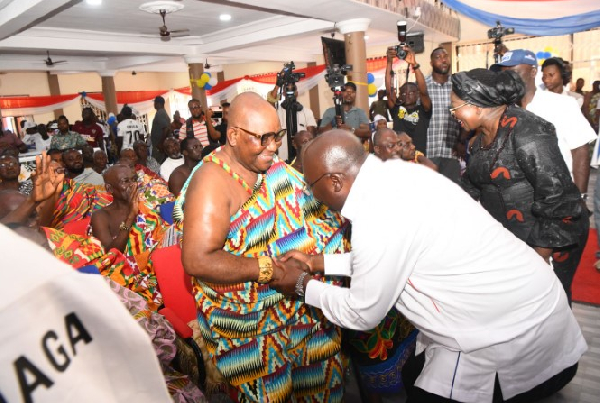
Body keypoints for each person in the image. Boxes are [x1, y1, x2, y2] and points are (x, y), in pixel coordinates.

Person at [270, 129, 586, 403]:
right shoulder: (401, 174)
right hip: (534, 307)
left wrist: (301, 285)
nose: (313, 196)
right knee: (413, 374)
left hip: (513, 333)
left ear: (335, 181)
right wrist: (318, 262)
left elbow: (361, 312)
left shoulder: (376, 214)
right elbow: (387, 258)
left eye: (312, 186)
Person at [174, 91, 348, 402]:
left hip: (305, 314)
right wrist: (272, 271)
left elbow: (315, 214)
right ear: (233, 135)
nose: (274, 146)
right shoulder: (212, 180)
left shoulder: (272, 168)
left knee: (322, 392)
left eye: (277, 135)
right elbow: (198, 259)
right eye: (263, 138)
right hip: (252, 332)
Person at [454, 68, 585, 305]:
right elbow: (473, 184)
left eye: (455, 107)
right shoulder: (478, 139)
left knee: (546, 304)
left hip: (548, 236)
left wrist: (540, 255)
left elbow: (557, 194)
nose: (453, 114)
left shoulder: (528, 131)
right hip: (513, 236)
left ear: (477, 106)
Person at [0, 225, 173, 403]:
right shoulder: (16, 333)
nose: (48, 261)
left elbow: (152, 335)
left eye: (47, 249)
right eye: (37, 257)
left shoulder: (89, 289)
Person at [492, 50, 596, 291]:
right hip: (519, 211)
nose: (509, 79)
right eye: (504, 74)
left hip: (557, 208)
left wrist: (579, 199)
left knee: (557, 285)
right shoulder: (501, 111)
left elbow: (580, 151)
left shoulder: (561, 104)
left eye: (514, 72)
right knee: (525, 284)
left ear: (532, 71)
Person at [386, 45, 432, 155]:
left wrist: (414, 64)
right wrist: (389, 63)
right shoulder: (396, 109)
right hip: (399, 156)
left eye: (411, 93)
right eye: (404, 93)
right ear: (400, 96)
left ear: (417, 95)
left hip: (419, 157)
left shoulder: (424, 110)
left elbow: (424, 92)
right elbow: (389, 90)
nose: (407, 95)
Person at [425, 47, 461, 183]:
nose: (443, 60)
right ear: (431, 63)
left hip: (452, 152)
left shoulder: (457, 86)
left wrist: (461, 140)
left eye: (445, 56)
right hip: (428, 152)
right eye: (438, 57)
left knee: (451, 196)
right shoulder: (422, 87)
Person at [268, 82, 318, 162]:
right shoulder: (276, 113)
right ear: (283, 93)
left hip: (302, 160)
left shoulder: (307, 112)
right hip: (282, 160)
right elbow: (269, 104)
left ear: (297, 93)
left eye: (293, 89)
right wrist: (278, 84)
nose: (290, 92)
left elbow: (311, 136)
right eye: (287, 89)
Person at [150, 96, 170, 164]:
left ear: (158, 103)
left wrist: (161, 144)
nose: (154, 104)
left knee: (156, 164)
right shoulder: (162, 112)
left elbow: (166, 128)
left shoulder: (160, 113)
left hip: (159, 147)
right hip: (159, 145)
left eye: (155, 102)